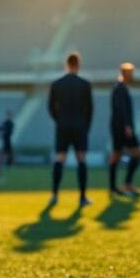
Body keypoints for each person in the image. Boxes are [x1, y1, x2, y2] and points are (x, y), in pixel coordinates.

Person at [48, 52, 93, 207]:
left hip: (63, 127)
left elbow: (50, 107)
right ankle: (82, 197)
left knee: (60, 158)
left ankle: (54, 195)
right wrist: (85, 126)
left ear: (66, 64)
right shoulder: (84, 84)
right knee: (81, 159)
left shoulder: (57, 84)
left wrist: (59, 120)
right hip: (80, 127)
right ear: (78, 64)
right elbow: (89, 109)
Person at [108, 63, 140, 197]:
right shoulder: (119, 88)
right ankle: (125, 185)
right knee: (135, 153)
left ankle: (115, 187)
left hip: (120, 127)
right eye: (131, 73)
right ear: (125, 73)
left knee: (117, 155)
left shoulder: (121, 87)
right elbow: (120, 109)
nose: (132, 75)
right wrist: (127, 126)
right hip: (122, 128)